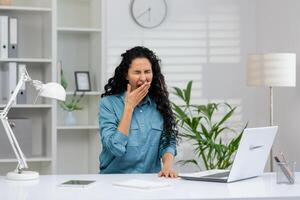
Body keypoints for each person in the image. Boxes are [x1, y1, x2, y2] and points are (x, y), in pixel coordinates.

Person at [98, 46, 179, 178]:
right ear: (126, 75)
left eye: (147, 71)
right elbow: (115, 148)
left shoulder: (160, 104)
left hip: (151, 180)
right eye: (137, 72)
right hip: (113, 180)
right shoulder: (108, 104)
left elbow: (168, 141)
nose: (143, 78)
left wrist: (167, 167)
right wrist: (129, 107)